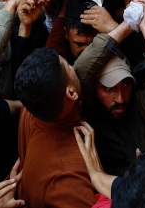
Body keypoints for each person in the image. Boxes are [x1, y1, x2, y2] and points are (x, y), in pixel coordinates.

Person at [74, 0, 145, 176]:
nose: (120, 98)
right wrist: (128, 24)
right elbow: (81, 70)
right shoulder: (86, 107)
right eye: (108, 88)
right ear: (94, 87)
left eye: (125, 85)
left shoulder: (139, 106)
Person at [15, 47, 97, 208]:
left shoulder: (33, 104)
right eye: (68, 66)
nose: (73, 67)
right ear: (71, 94)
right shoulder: (68, 178)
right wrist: (99, 175)